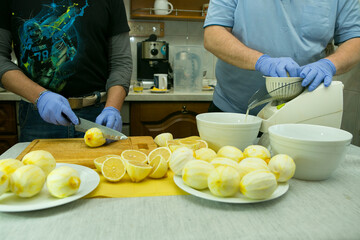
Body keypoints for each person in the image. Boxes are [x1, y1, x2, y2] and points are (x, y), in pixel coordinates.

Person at [0, 0, 132, 142]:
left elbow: (121, 61)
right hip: (37, 115)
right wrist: (40, 97)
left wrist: (112, 108)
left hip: (97, 115)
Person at [203, 0, 360, 115]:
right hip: (233, 110)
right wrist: (260, 61)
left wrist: (329, 64)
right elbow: (213, 35)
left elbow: (355, 40)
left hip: (302, 114)